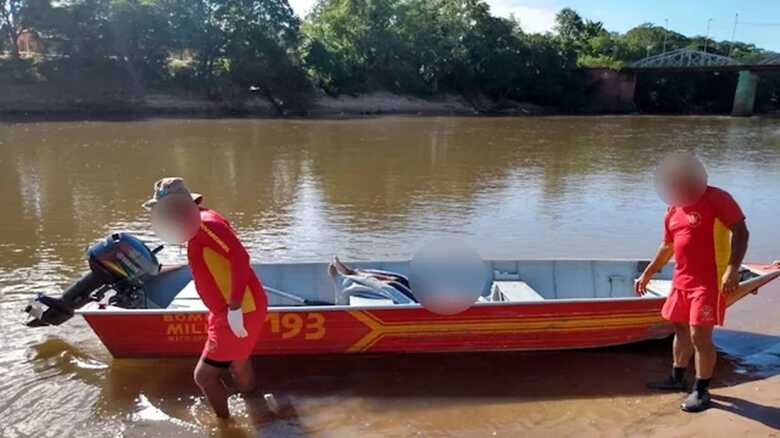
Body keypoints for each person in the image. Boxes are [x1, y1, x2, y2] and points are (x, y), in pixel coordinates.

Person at [143, 177, 268, 419]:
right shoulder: (194, 226)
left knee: (204, 377)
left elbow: (240, 258)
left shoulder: (207, 225)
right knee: (239, 363)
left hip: (237, 310)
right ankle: (257, 410)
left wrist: (234, 307)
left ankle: (226, 428)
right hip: (228, 310)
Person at [635, 154, 749, 413]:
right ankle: (677, 378)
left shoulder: (717, 198)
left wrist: (732, 269)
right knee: (680, 329)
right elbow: (667, 245)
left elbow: (741, 232)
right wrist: (648, 273)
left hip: (708, 282)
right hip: (681, 280)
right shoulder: (673, 209)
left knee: (700, 335)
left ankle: (702, 390)